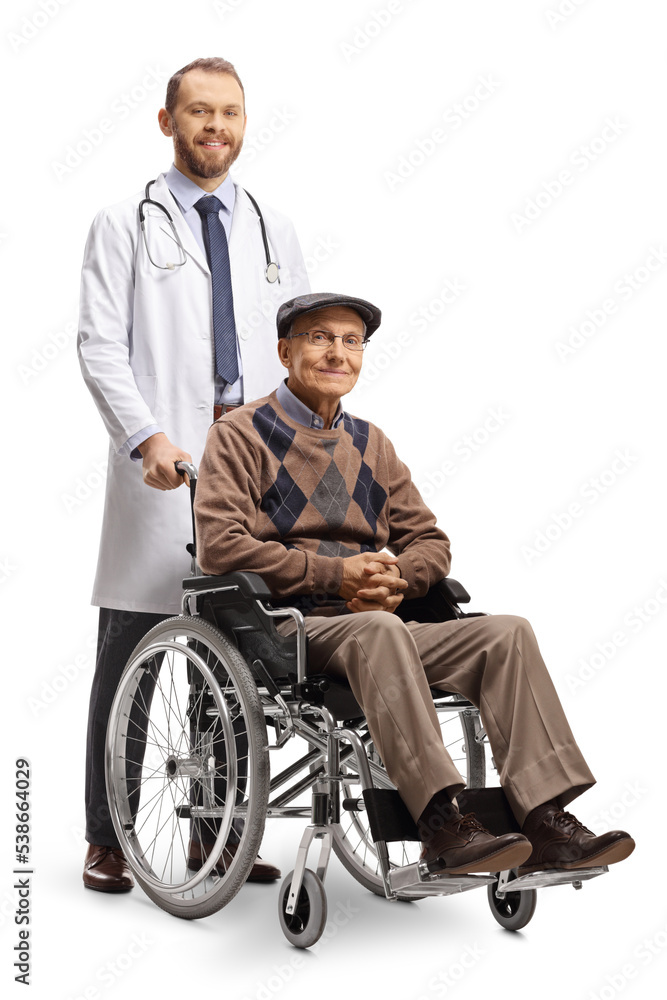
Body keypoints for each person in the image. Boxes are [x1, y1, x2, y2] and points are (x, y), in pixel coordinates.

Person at [193, 291, 635, 875]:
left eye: (353, 342)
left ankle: (544, 819)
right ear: (284, 351)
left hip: (381, 627)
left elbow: (431, 540)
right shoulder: (240, 434)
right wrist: (336, 573)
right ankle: (442, 823)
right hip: (286, 631)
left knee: (506, 633)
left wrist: (396, 577)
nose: (338, 353)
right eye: (321, 337)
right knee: (379, 630)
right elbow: (220, 545)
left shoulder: (371, 442)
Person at [78, 57, 309, 892]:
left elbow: (299, 347)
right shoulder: (123, 223)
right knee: (131, 656)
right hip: (164, 457)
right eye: (200, 112)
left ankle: (218, 836)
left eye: (230, 114)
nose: (216, 127)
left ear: (244, 124)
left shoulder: (271, 226)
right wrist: (145, 437)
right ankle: (108, 836)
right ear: (167, 121)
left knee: (236, 658)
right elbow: (99, 343)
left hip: (252, 462)